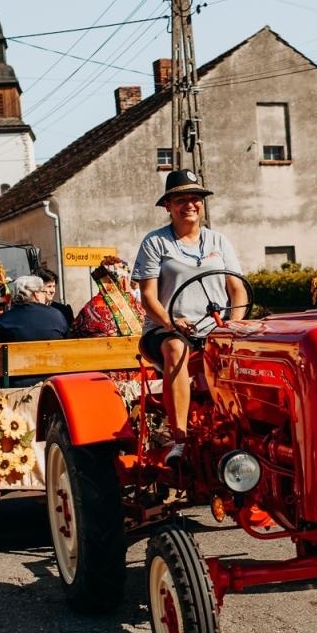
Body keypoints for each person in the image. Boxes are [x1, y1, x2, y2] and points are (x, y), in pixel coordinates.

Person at [131, 169, 246, 459]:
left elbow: (238, 289)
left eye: (195, 199)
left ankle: (239, 430)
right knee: (176, 348)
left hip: (214, 327)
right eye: (181, 200)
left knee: (248, 354)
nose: (190, 205)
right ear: (168, 206)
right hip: (166, 327)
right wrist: (171, 322)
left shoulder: (218, 241)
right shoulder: (156, 243)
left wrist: (235, 325)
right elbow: (148, 296)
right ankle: (179, 438)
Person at [0, 275, 69, 343]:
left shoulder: (3, 321)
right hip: (53, 359)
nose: (45, 295)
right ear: (36, 294)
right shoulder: (57, 316)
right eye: (43, 292)